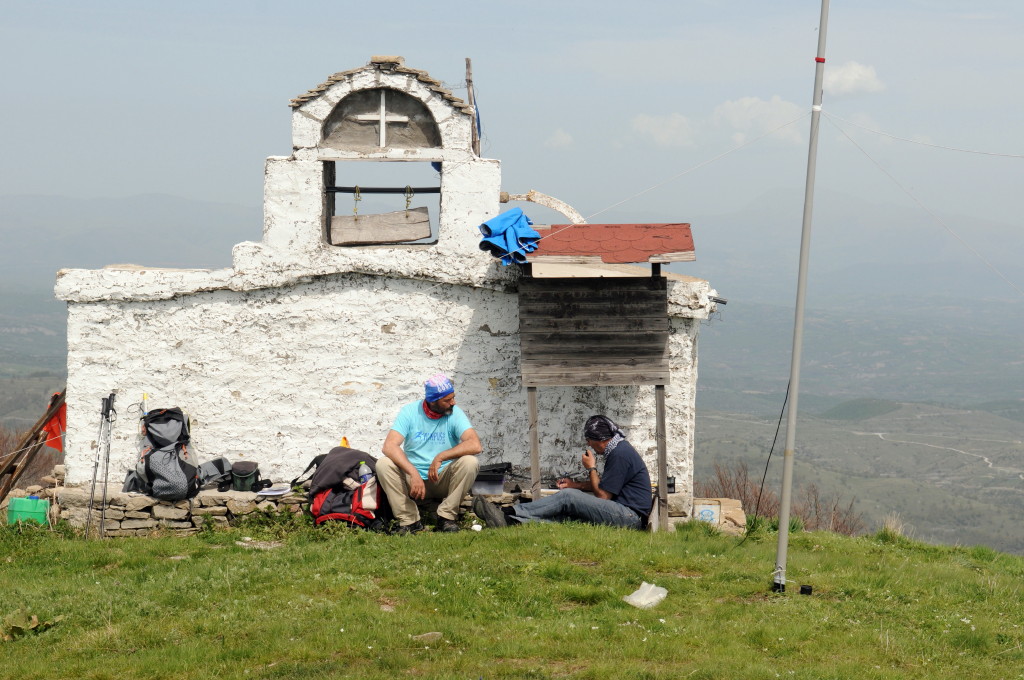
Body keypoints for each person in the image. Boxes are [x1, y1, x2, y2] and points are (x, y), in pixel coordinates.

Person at [473, 415, 651, 530]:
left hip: (629, 517)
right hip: (624, 513)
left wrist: (591, 468)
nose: (589, 444)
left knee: (568, 497)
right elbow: (607, 487)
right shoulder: (618, 450)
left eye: (589, 440)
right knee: (567, 518)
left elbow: (603, 496)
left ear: (601, 440)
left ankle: (505, 511)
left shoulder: (620, 454)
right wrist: (577, 485)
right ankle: (509, 521)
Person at [377, 373, 482, 534]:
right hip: (412, 481)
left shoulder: (455, 413)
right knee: (383, 464)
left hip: (442, 479)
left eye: (453, 397)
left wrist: (441, 456)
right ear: (433, 401)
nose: (452, 402)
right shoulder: (410, 412)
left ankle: (446, 518)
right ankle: (409, 521)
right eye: (447, 400)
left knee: (470, 462)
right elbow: (389, 446)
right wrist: (413, 473)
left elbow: (475, 444)